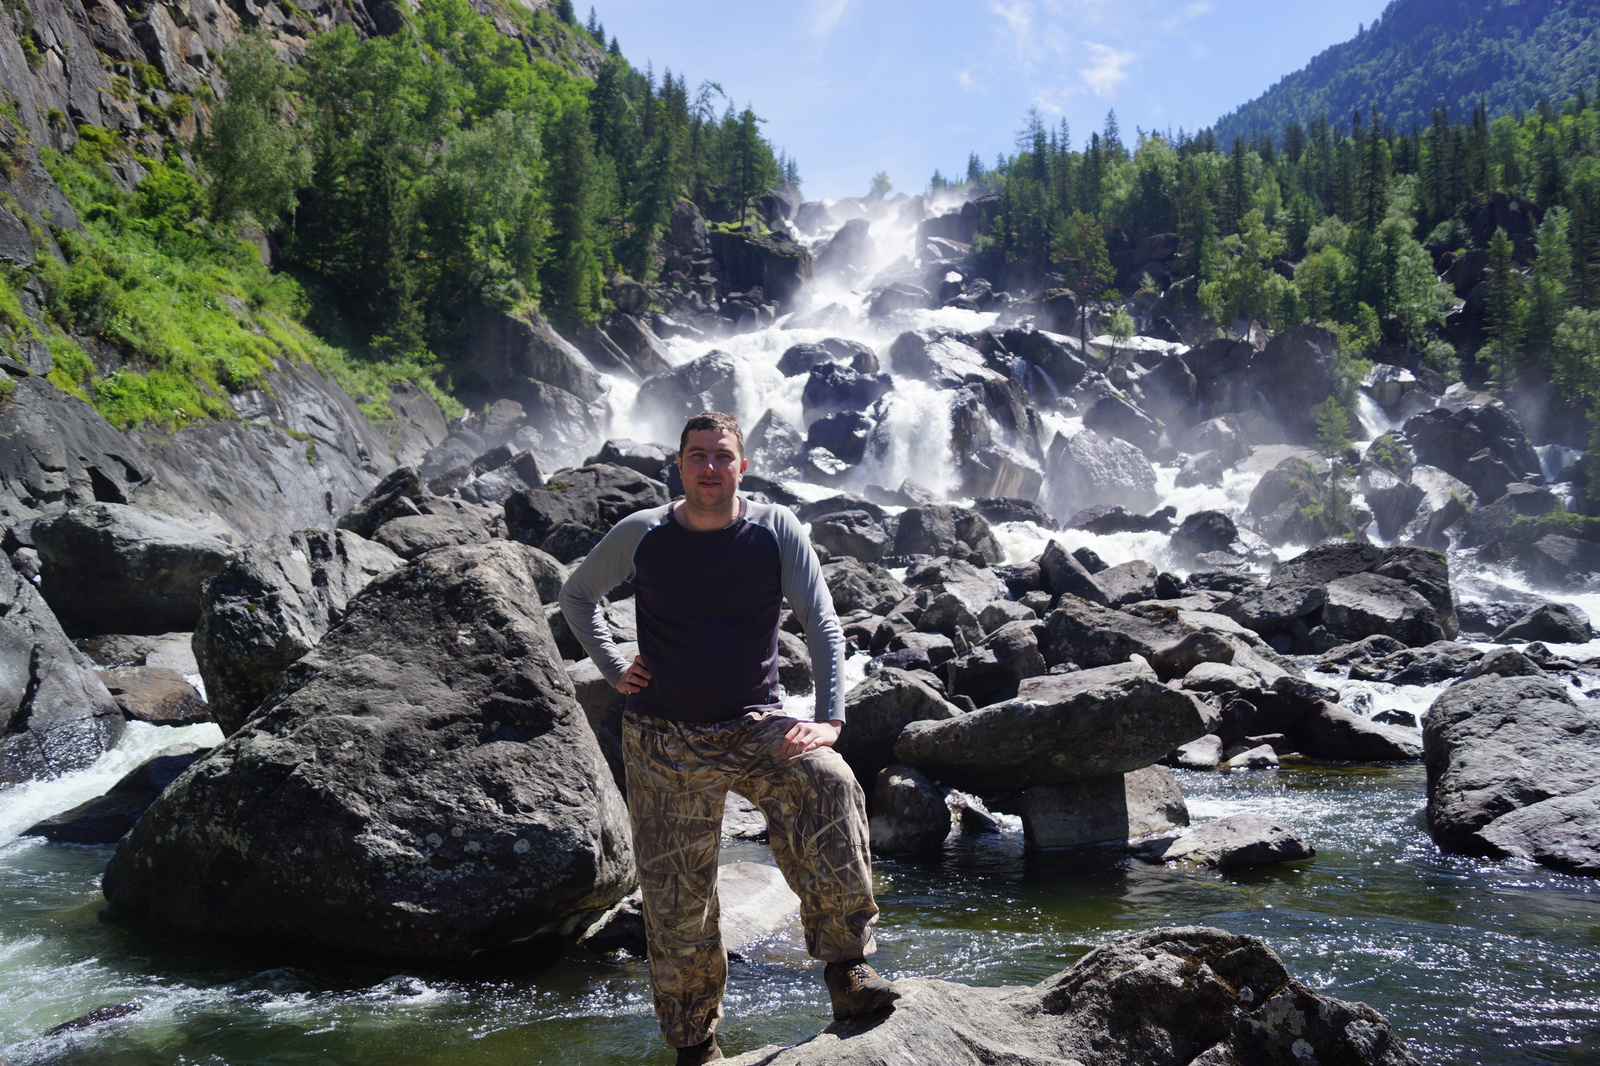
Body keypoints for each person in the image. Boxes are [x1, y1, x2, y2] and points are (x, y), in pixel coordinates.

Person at [559, 411, 896, 1065]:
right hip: (663, 738)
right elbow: (577, 596)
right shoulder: (643, 533)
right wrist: (612, 664)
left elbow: (821, 624)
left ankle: (847, 972)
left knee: (829, 782)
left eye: (722, 455)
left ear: (742, 466)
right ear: (678, 466)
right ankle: (695, 1044)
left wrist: (829, 717)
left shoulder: (774, 531)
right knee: (677, 897)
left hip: (752, 725)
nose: (709, 467)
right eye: (697, 455)